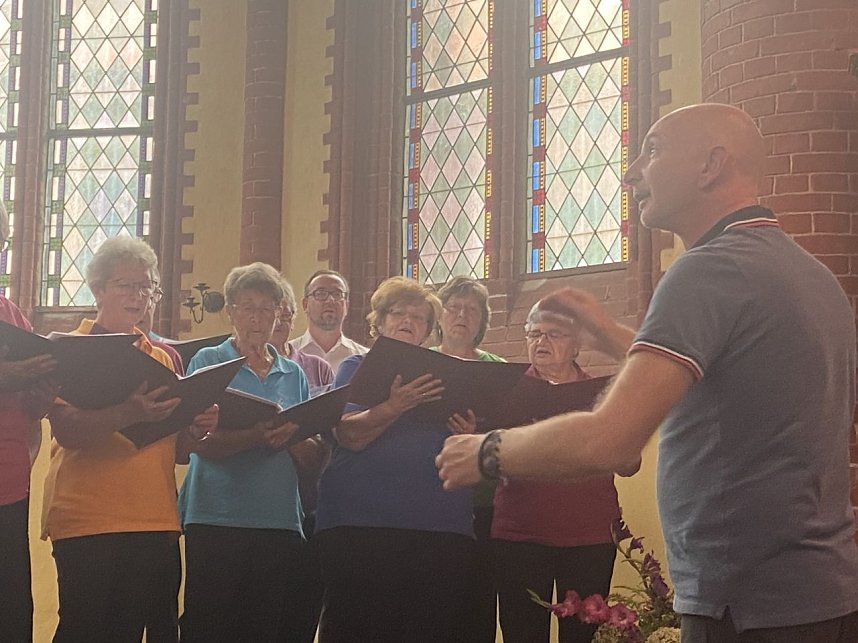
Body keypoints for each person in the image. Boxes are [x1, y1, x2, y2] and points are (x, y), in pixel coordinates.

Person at [436, 103, 858, 641]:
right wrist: (610, 333)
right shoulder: (810, 274)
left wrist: (485, 450)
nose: (632, 172)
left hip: (748, 603)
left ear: (711, 165)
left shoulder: (705, 269)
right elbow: (717, 389)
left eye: (652, 151)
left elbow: (611, 440)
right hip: (823, 594)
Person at [41, 236, 217, 642]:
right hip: (88, 519)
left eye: (148, 287)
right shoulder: (71, 349)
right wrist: (128, 412)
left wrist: (196, 426)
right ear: (98, 288)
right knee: (86, 633)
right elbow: (68, 432)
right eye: (127, 284)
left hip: (155, 518)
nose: (140, 296)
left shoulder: (165, 357)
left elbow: (178, 452)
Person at [314, 276, 476, 643]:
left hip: (438, 527)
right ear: (380, 322)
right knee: (355, 629)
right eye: (398, 313)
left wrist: (466, 434)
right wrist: (395, 405)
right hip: (360, 525)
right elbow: (350, 436)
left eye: (418, 317)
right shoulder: (356, 366)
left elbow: (468, 454)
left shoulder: (452, 377)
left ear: (429, 330)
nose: (407, 321)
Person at [177, 262, 313, 643]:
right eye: (247, 307)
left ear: (280, 314)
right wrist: (257, 434)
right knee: (209, 625)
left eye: (267, 307)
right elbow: (201, 443)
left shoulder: (294, 373)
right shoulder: (207, 362)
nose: (257, 317)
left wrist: (295, 437)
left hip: (278, 519)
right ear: (231, 312)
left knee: (265, 627)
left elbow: (309, 453)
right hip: (216, 515)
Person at [492, 303, 621, 643]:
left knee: (582, 637)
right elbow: (488, 459)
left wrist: (617, 438)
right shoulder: (505, 392)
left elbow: (629, 465)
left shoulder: (604, 396)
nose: (541, 341)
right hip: (520, 534)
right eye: (534, 334)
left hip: (588, 537)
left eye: (554, 334)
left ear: (576, 345)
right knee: (522, 634)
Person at [434, 275, 504, 642]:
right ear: (439, 316)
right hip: (429, 500)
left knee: (478, 604)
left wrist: (477, 435)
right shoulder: (421, 361)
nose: (462, 315)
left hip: (483, 504)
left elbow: (510, 429)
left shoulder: (497, 366)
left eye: (471, 310)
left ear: (481, 322)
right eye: (454, 307)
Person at [0, 201, 57, 643]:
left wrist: (40, 395)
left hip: (8, 485)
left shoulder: (11, 313)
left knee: (11, 610)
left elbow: (29, 407)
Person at [268, 275, 333, 643]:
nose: (279, 318)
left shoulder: (316, 368)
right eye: (270, 310)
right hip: (261, 503)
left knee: (300, 612)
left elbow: (322, 438)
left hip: (306, 503)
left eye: (285, 311)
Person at [289, 269, 367, 373]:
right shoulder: (287, 355)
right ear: (305, 304)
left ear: (347, 306)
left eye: (337, 294)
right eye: (320, 293)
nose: (330, 300)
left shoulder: (363, 359)